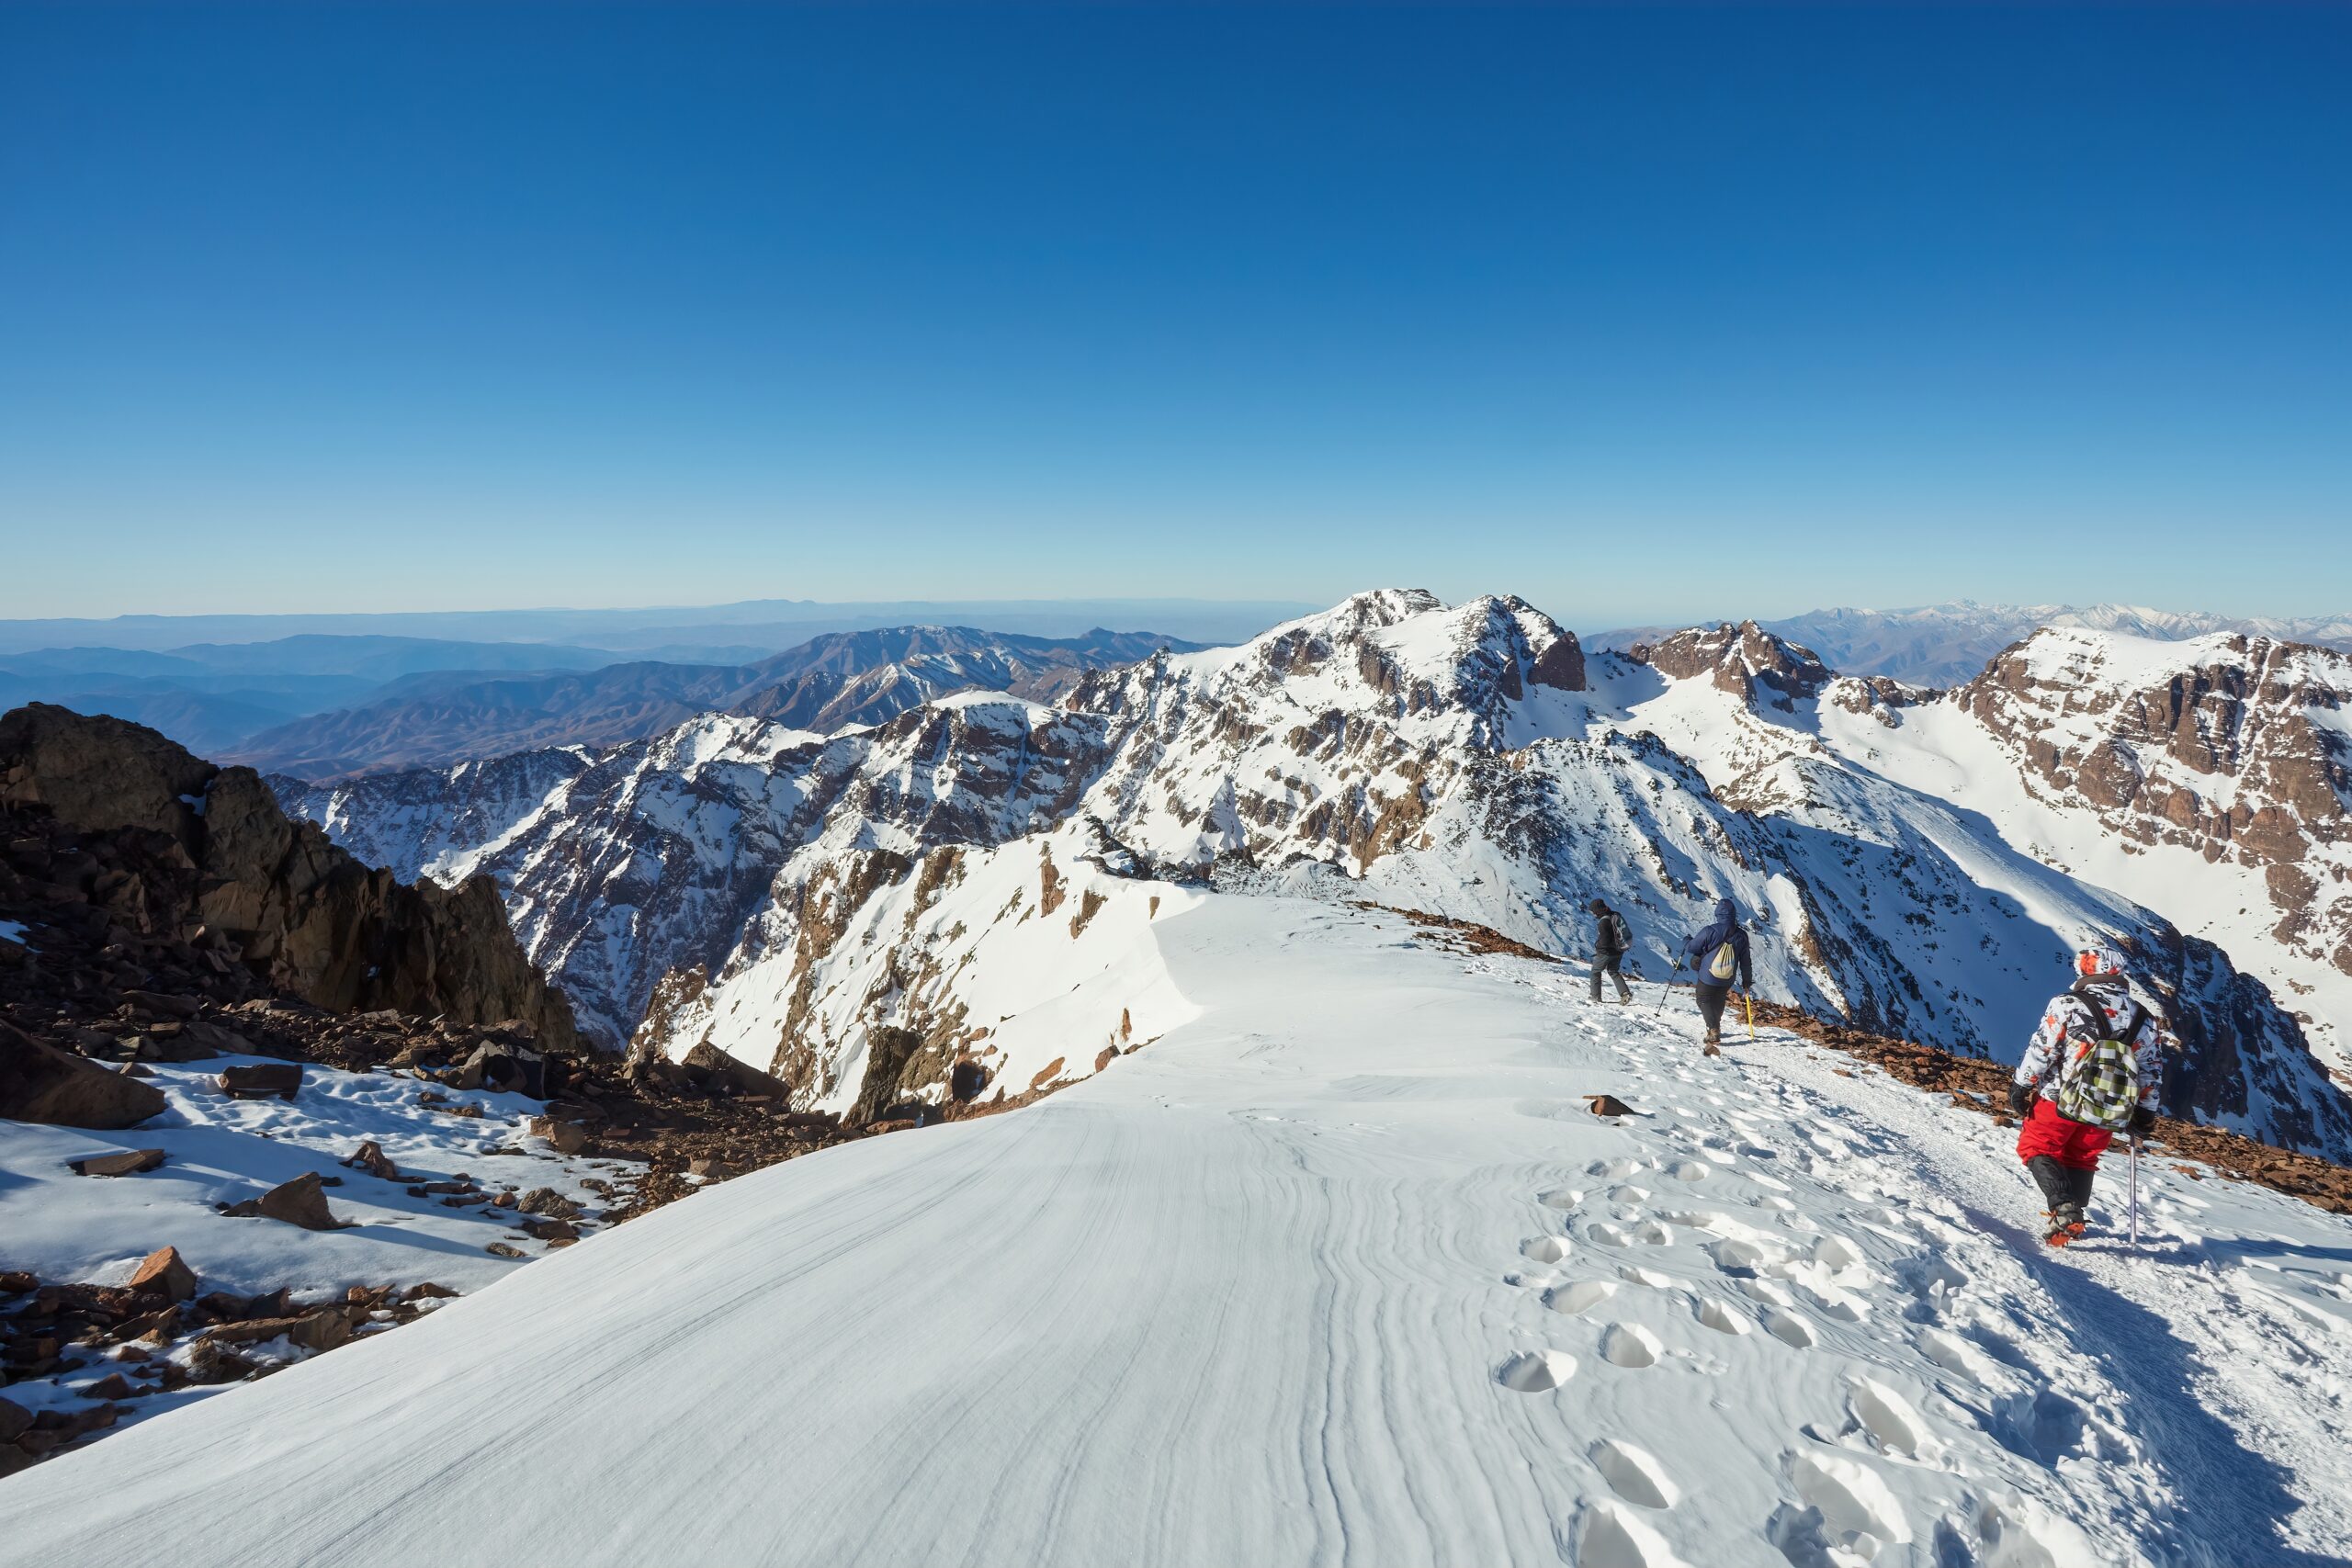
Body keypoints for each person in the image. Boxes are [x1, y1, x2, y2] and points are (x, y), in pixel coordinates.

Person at [2007, 945, 2164, 1247]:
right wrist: (2145, 1113)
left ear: (2084, 971)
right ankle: (2070, 1215)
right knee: (2082, 1155)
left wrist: (2022, 1085)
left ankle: (2065, 1211)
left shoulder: (2067, 1004)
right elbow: (2151, 1070)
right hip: (2110, 1107)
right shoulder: (2143, 1017)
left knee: (2037, 1146)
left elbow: (2043, 1049)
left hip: (2060, 1099)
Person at [1680, 897, 1752, 1056]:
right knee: (1719, 999)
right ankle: (1715, 1026)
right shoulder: (1742, 935)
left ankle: (1713, 1029)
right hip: (1728, 977)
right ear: (1733, 915)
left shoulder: (1710, 930)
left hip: (1708, 975)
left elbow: (1692, 947)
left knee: (1703, 999)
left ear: (1718, 914)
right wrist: (1747, 981)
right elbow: (1746, 961)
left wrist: (1686, 940)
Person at [1588, 897, 1634, 1003]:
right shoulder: (1614, 915)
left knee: (1595, 972)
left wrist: (1599, 951)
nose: (1593, 914)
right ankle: (1625, 994)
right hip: (1619, 950)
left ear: (1597, 910)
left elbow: (1604, 941)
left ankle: (1595, 997)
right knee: (1613, 971)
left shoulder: (1604, 922)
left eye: (1593, 911)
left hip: (1606, 953)